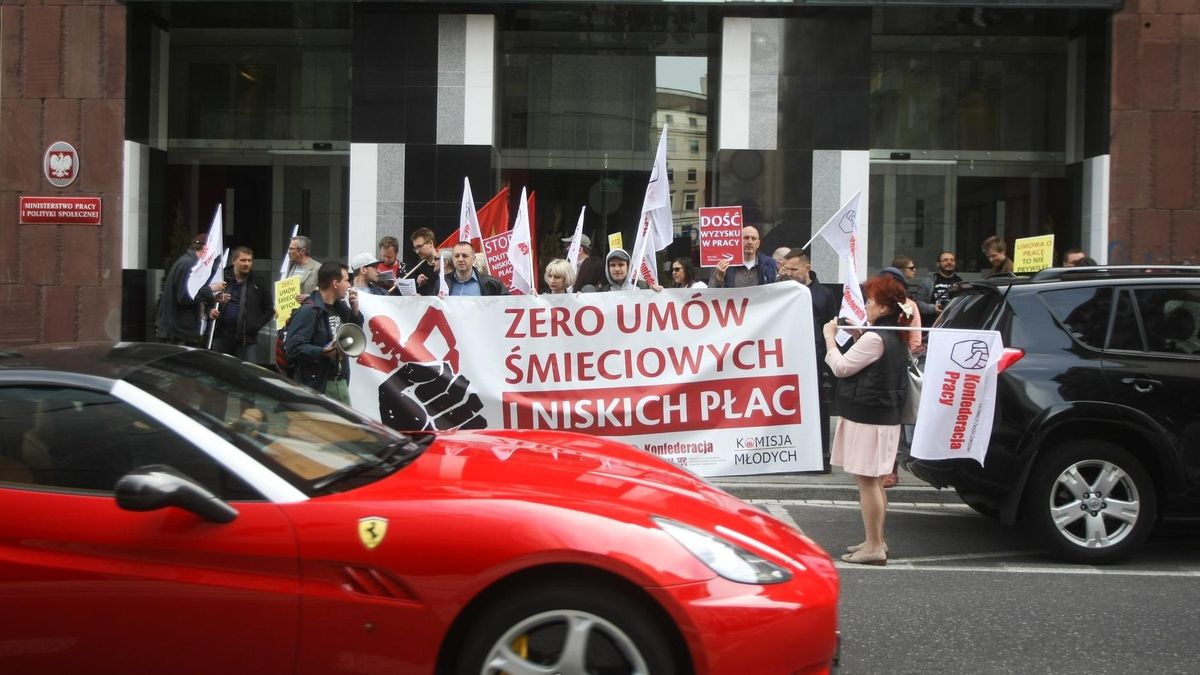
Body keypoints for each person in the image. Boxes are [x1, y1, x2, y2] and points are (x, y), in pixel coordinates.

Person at [821, 272, 913, 565]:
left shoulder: (877, 337)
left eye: (871, 302)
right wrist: (860, 337)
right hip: (880, 416)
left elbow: (842, 368)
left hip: (869, 417)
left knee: (868, 482)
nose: (867, 307)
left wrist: (829, 341)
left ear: (884, 308)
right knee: (873, 481)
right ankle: (877, 540)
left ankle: (874, 546)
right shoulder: (892, 334)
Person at [778, 248, 838, 469]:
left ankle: (819, 454)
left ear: (807, 267)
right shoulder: (782, 289)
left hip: (816, 360)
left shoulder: (824, 294)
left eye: (794, 269)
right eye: (787, 268)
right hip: (787, 359)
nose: (790, 272)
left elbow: (832, 328)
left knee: (817, 408)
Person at [283, 261, 363, 404]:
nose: (349, 286)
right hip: (318, 385)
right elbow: (293, 348)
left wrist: (355, 309)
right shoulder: (309, 311)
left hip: (340, 381)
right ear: (335, 283)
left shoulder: (340, 307)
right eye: (346, 281)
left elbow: (354, 333)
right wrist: (323, 352)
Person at [156, 233, 226, 346]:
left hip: (181, 332)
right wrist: (211, 289)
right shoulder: (189, 265)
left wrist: (212, 297)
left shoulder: (191, 264)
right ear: (205, 248)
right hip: (177, 333)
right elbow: (184, 297)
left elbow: (193, 293)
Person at [210, 246, 273, 361]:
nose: (247, 264)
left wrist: (256, 325)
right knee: (220, 372)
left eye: (249, 260)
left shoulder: (258, 281)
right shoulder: (221, 277)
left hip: (246, 340)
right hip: (222, 337)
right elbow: (207, 298)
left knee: (245, 375)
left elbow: (269, 309)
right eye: (243, 260)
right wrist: (210, 311)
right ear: (234, 261)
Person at [710, 225, 777, 288]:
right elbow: (711, 293)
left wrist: (784, 279)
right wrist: (718, 280)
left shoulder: (769, 264)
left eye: (753, 239)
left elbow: (775, 292)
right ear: (738, 241)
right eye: (746, 238)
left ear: (758, 244)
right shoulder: (724, 264)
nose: (750, 242)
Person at [443, 242, 509, 296]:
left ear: (473, 259)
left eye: (465, 256)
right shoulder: (442, 283)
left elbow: (507, 304)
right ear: (452, 259)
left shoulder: (492, 284)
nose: (460, 259)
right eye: (457, 256)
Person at [894, 255, 937, 328]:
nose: (914, 270)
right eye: (911, 268)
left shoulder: (902, 286)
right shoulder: (896, 287)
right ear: (901, 269)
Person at [918, 251, 963, 316]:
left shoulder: (960, 282)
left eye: (952, 260)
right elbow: (918, 303)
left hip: (952, 321)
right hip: (931, 322)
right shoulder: (928, 281)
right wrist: (933, 308)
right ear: (938, 264)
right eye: (945, 260)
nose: (949, 262)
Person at [582, 249, 647, 292]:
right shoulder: (601, 293)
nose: (617, 269)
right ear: (608, 268)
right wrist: (581, 299)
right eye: (612, 265)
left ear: (628, 266)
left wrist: (655, 291)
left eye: (621, 265)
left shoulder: (643, 287)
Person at [410, 227, 441, 296]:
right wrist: (419, 284)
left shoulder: (444, 262)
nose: (417, 251)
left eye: (419, 246)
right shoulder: (421, 265)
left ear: (430, 243)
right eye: (415, 248)